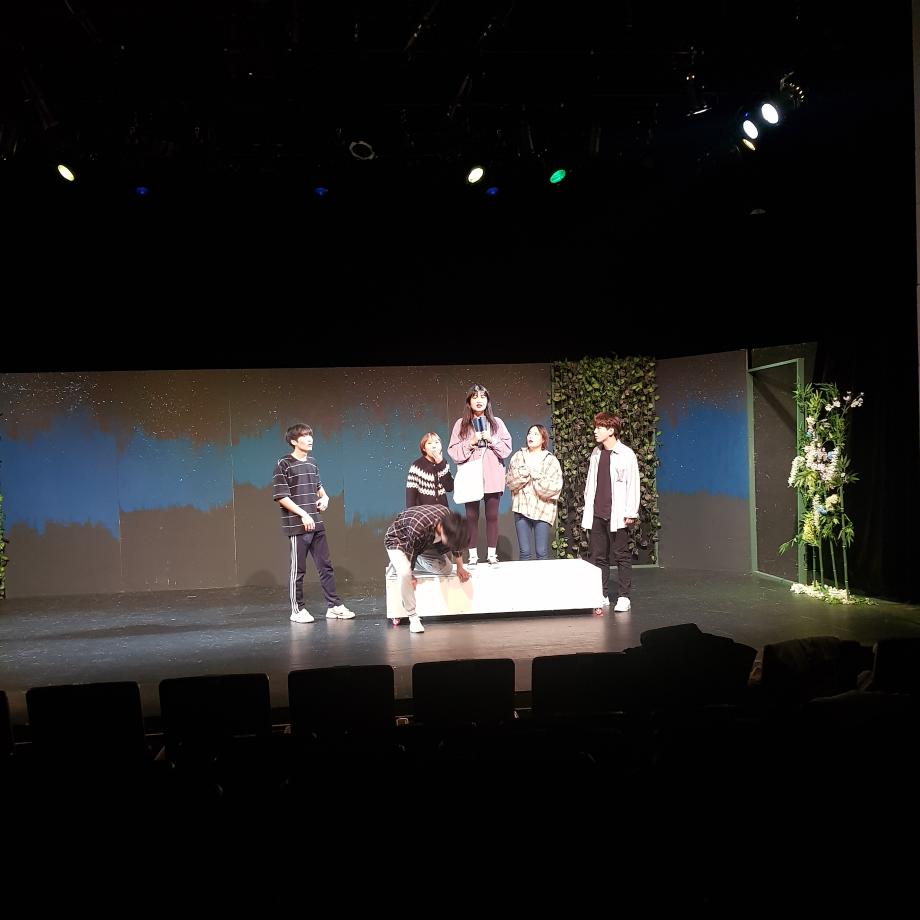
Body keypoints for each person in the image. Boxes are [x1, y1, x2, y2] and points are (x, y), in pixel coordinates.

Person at [272, 423, 356, 624]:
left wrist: (325, 498)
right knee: (298, 570)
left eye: (310, 435)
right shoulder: (283, 464)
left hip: (316, 522)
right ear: (294, 441)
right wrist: (303, 514)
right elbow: (281, 497)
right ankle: (297, 610)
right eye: (304, 436)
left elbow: (318, 487)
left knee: (325, 567)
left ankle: (334, 606)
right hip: (297, 525)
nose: (310, 439)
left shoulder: (312, 462)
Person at [447, 384, 512, 568]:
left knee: (492, 516)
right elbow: (453, 451)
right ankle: (473, 556)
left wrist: (492, 439)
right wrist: (471, 442)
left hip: (492, 474)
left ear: (488, 401)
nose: (479, 400)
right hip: (471, 475)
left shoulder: (497, 423)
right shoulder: (461, 424)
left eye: (483, 396)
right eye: (475, 396)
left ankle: (492, 555)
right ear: (469, 401)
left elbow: (506, 449)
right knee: (471, 516)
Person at [581, 412, 640, 614]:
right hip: (598, 512)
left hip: (618, 513)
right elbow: (591, 483)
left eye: (599, 427)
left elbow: (633, 484)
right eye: (595, 427)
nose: (595, 431)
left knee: (621, 555)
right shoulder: (596, 453)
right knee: (599, 556)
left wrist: (631, 511)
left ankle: (624, 597)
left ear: (611, 430)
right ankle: (603, 593)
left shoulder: (626, 454)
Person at [384, 504, 470, 633]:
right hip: (400, 541)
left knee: (447, 569)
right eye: (449, 541)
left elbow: (456, 543)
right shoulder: (419, 526)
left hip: (424, 545)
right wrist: (409, 573)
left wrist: (460, 566)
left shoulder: (451, 521)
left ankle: (404, 563)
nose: (450, 544)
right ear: (441, 528)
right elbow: (410, 549)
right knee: (404, 573)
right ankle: (412, 616)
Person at [505, 424, 563, 560]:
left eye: (536, 434)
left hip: (543, 509)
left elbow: (555, 487)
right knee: (524, 551)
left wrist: (537, 477)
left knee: (541, 551)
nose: (531, 436)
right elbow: (509, 481)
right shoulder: (518, 456)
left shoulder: (550, 460)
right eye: (529, 433)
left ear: (543, 439)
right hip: (521, 508)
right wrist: (524, 475)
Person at [405, 432, 454, 507]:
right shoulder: (417, 466)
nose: (434, 446)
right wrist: (411, 512)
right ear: (424, 448)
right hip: (423, 511)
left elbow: (449, 487)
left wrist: (440, 463)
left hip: (442, 510)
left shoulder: (444, 463)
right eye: (429, 443)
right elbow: (410, 495)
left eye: (437, 442)